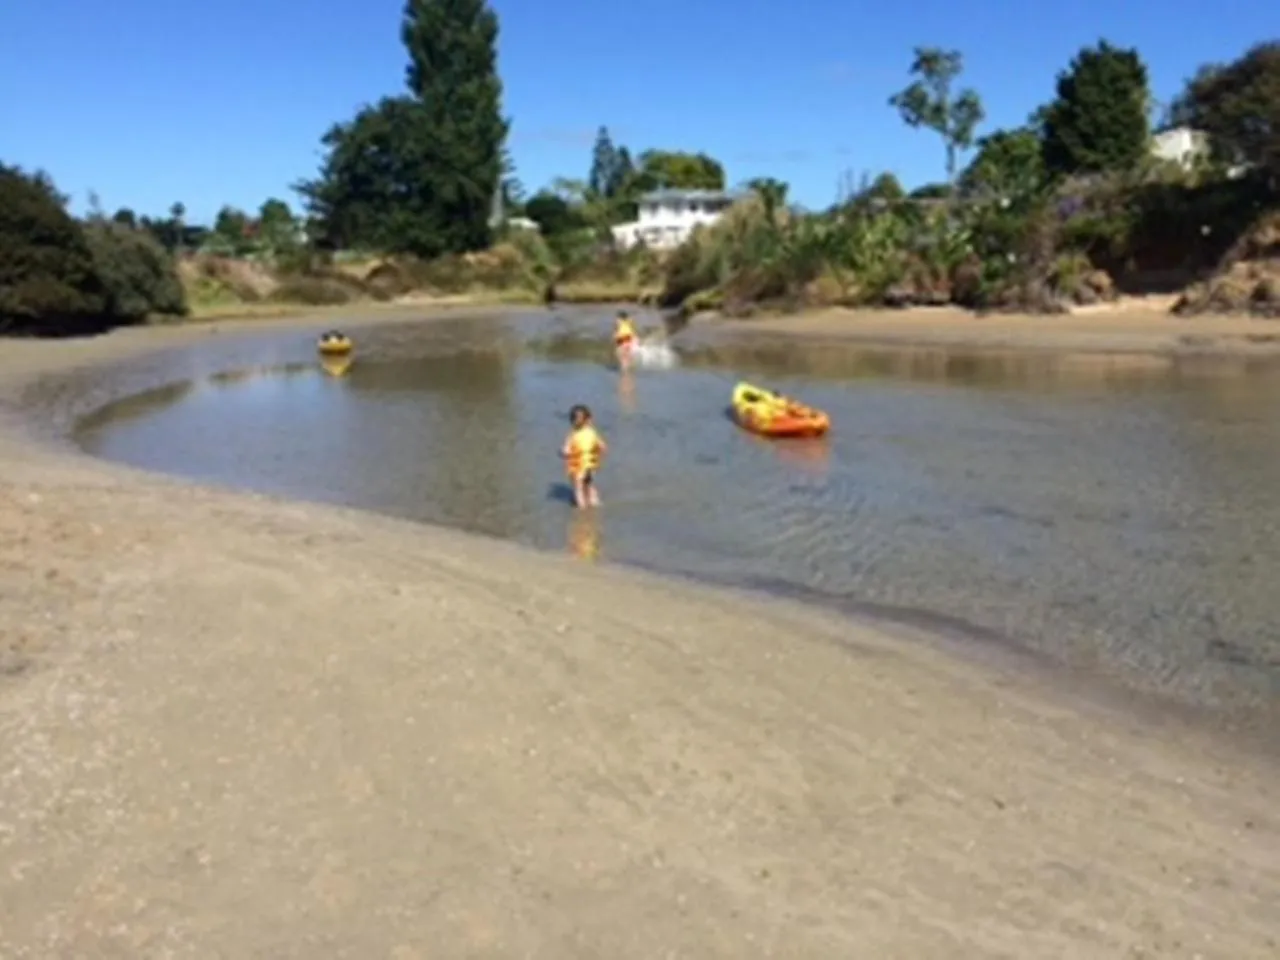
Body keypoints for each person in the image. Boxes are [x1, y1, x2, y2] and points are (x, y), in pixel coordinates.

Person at [560, 404, 607, 508]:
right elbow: (602, 446)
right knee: (589, 484)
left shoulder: (572, 435)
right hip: (589, 466)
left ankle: (581, 506)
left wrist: (562, 453)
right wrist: (599, 453)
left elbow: (566, 450)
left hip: (578, 466)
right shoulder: (592, 432)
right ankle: (595, 501)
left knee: (578, 487)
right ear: (589, 420)